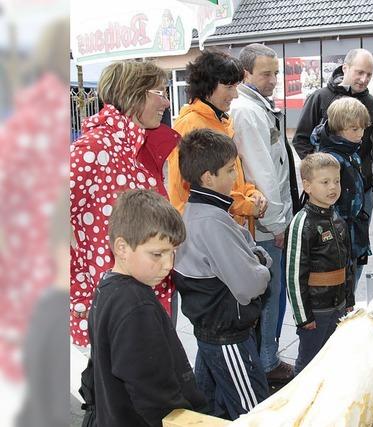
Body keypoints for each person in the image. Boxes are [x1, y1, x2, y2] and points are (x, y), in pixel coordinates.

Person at [82, 189, 208, 427]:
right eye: (157, 254)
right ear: (121, 248)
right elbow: (155, 397)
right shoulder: (136, 306)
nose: (168, 265)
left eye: (173, 253)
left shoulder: (107, 288)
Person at [70, 61, 174, 346]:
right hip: (113, 309)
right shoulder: (95, 148)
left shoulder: (133, 146)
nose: (166, 101)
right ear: (134, 94)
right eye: (160, 92)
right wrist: (81, 286)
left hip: (144, 295)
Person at [172, 129, 271, 420]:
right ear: (207, 177)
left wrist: (254, 257)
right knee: (255, 414)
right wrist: (263, 265)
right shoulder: (212, 222)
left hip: (212, 331)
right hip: (228, 336)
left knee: (209, 412)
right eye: (230, 170)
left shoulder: (198, 211)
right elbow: (249, 284)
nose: (235, 177)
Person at [230, 43, 300, 383]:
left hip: (271, 218)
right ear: (246, 74)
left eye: (276, 72)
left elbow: (281, 162)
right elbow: (261, 172)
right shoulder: (246, 111)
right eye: (266, 73)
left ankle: (265, 359)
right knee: (271, 295)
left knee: (274, 293)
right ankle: (266, 364)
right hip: (264, 223)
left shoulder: (260, 106)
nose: (274, 79)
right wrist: (276, 222)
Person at [292, 48, 373, 285]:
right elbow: (302, 139)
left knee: (356, 249)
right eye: (359, 72)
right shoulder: (320, 98)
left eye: (369, 74)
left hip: (362, 191)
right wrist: (319, 175)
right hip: (326, 195)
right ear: (345, 68)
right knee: (328, 252)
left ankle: (349, 300)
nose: (363, 79)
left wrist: (371, 176)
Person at [165, 49, 267, 233]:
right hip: (204, 230)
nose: (235, 95)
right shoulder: (191, 125)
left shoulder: (222, 120)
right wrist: (243, 204)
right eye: (229, 87)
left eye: (236, 86)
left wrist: (251, 193)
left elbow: (233, 173)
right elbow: (192, 189)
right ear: (208, 85)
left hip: (225, 225)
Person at [285, 153, 354, 376]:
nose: (332, 187)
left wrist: (349, 299)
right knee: (309, 363)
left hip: (337, 303)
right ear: (307, 186)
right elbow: (294, 275)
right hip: (316, 307)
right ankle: (300, 404)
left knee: (332, 356)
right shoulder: (302, 223)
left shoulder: (337, 219)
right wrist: (303, 316)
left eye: (336, 181)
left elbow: (347, 263)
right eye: (324, 182)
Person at [311, 97, 370, 285]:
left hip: (354, 230)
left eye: (362, 128)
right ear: (338, 127)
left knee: (352, 279)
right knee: (342, 285)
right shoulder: (331, 159)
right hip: (337, 234)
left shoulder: (350, 151)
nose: (360, 133)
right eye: (354, 129)